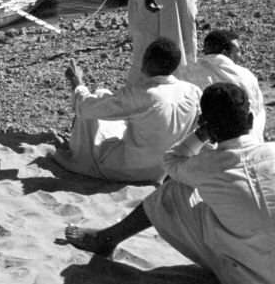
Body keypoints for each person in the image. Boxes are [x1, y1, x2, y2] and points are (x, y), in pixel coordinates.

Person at [63, 82, 275, 284]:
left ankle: (108, 238)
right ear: (251, 119)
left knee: (173, 191)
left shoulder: (208, 166)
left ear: (208, 127)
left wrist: (201, 135)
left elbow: (172, 161)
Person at [51, 37, 201, 183]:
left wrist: (77, 82)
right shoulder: (192, 91)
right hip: (163, 170)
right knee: (106, 99)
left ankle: (78, 155)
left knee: (96, 101)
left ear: (147, 61)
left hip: (127, 169)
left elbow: (85, 107)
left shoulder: (144, 94)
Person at [176, 29, 265, 140]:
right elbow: (256, 111)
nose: (240, 55)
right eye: (238, 51)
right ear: (225, 53)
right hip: (239, 141)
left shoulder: (186, 72)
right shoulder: (244, 75)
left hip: (197, 142)